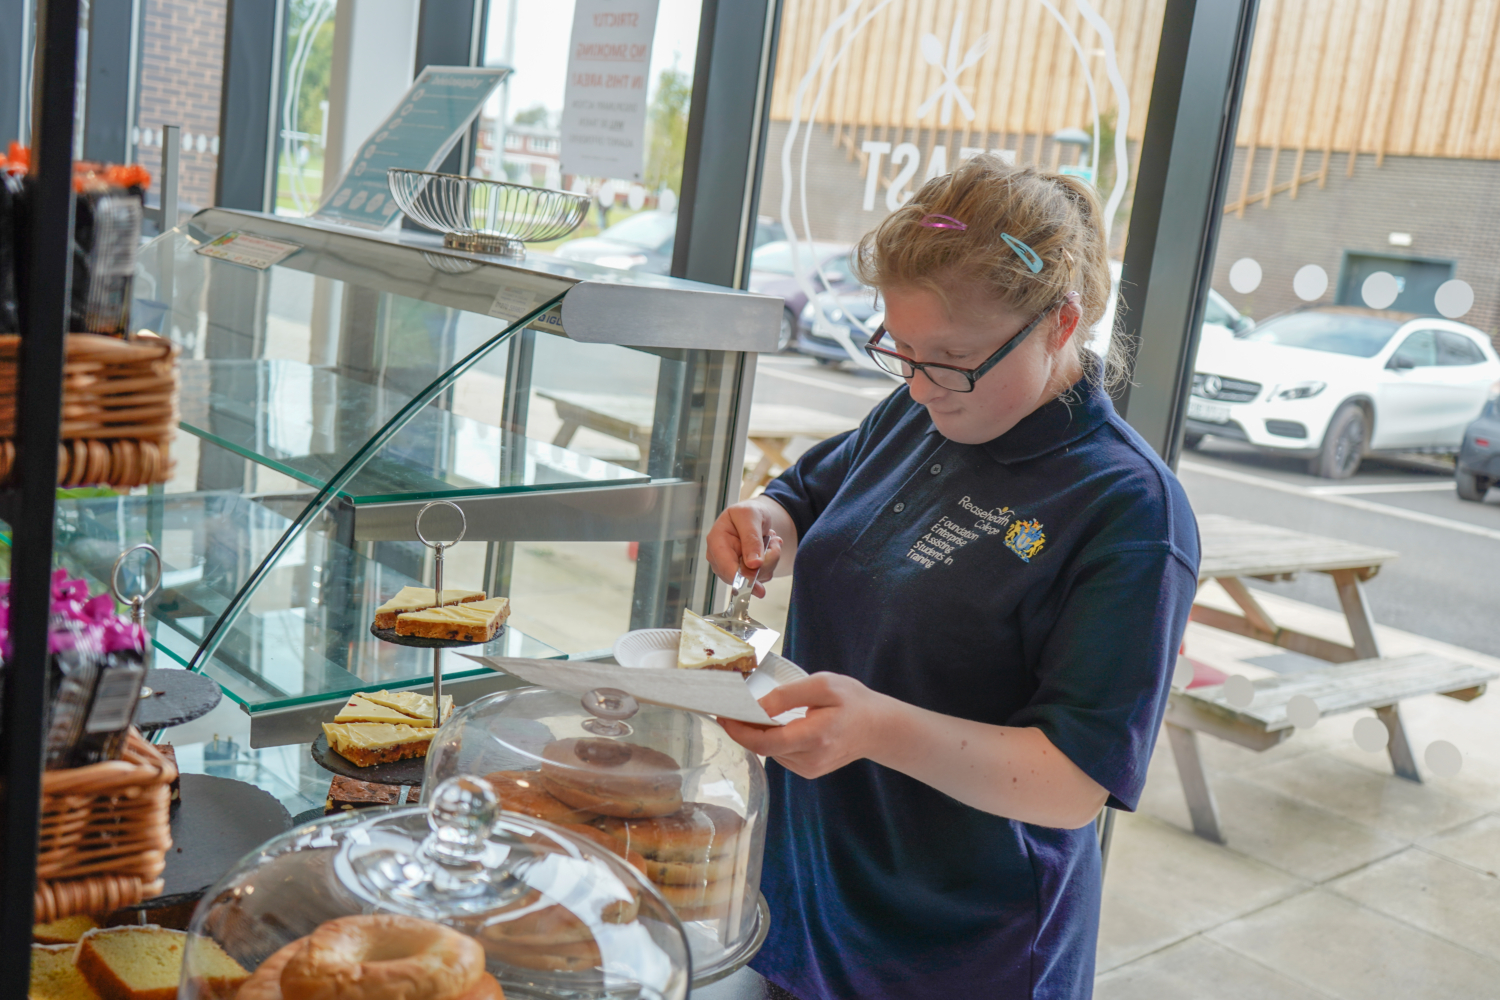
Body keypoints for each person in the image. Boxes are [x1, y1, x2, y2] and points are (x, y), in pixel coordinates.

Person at [708, 156, 1200, 999]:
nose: (920, 383)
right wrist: (767, 520)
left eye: (952, 358)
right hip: (810, 889)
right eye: (900, 350)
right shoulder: (922, 406)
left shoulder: (1131, 511)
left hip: (962, 945)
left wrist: (874, 729)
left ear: (1060, 323)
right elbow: (807, 494)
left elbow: (1073, 784)